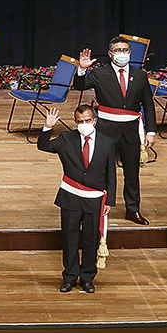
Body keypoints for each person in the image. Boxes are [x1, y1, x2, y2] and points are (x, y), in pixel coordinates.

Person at [73, 37, 157, 225]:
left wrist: (150, 131)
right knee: (101, 170)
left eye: (125, 50)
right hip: (106, 130)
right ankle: (98, 205)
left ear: (130, 53)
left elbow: (148, 106)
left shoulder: (140, 75)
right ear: (111, 54)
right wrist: (82, 69)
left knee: (132, 172)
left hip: (130, 130)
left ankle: (133, 209)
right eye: (118, 50)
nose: (122, 53)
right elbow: (79, 86)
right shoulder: (100, 74)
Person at [37, 104, 114, 293]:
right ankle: (70, 277)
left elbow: (111, 174)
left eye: (87, 121)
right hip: (71, 196)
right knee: (69, 239)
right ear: (76, 122)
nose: (84, 124)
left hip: (94, 199)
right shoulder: (66, 138)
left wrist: (110, 200)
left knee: (91, 239)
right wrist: (48, 127)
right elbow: (44, 145)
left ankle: (87, 277)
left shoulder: (107, 142)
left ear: (94, 121)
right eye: (80, 122)